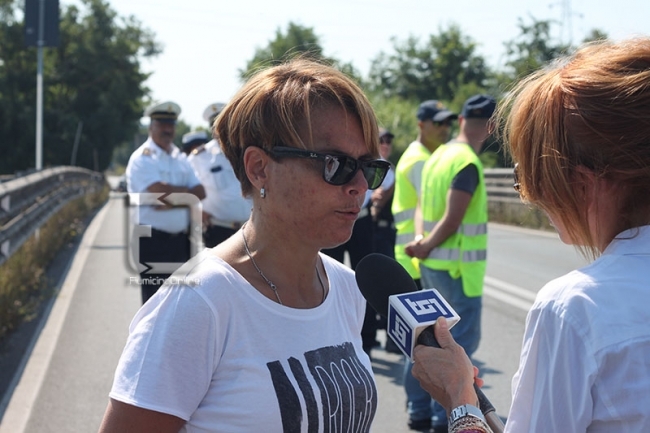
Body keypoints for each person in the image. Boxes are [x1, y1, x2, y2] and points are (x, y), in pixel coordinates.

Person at [99, 59, 391, 433]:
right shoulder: (198, 304)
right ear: (258, 169)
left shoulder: (347, 288)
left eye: (368, 167)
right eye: (337, 164)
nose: (360, 187)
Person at [411, 37, 650, 433]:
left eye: (533, 177)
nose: (532, 197)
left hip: (438, 265)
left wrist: (460, 400)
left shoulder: (576, 308)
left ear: (581, 182)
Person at [404, 94, 496, 432]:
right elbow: (453, 218)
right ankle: (446, 420)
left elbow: (420, 205)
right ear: (491, 127)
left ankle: (418, 411)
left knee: (427, 342)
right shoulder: (467, 162)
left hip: (431, 266)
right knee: (457, 354)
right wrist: (428, 244)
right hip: (459, 274)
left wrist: (421, 242)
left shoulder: (438, 155)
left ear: (460, 121)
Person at [390, 99, 457, 431]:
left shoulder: (426, 157)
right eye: (437, 123)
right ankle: (420, 410)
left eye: (447, 123)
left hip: (416, 257)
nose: (444, 129)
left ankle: (420, 410)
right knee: (422, 344)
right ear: (421, 124)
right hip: (415, 259)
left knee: (423, 342)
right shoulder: (420, 161)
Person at [125, 101, 206, 304]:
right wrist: (185, 197)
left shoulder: (180, 158)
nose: (168, 129)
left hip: (182, 242)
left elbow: (200, 192)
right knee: (154, 303)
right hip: (153, 241)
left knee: (182, 303)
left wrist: (171, 201)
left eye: (171, 124)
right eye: (162, 124)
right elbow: (159, 191)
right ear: (151, 126)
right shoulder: (142, 158)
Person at [186, 103, 252, 248]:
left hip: (252, 229)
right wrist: (196, 211)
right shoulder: (199, 157)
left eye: (226, 124)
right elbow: (186, 189)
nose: (222, 130)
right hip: (219, 230)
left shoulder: (249, 149)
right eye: (217, 126)